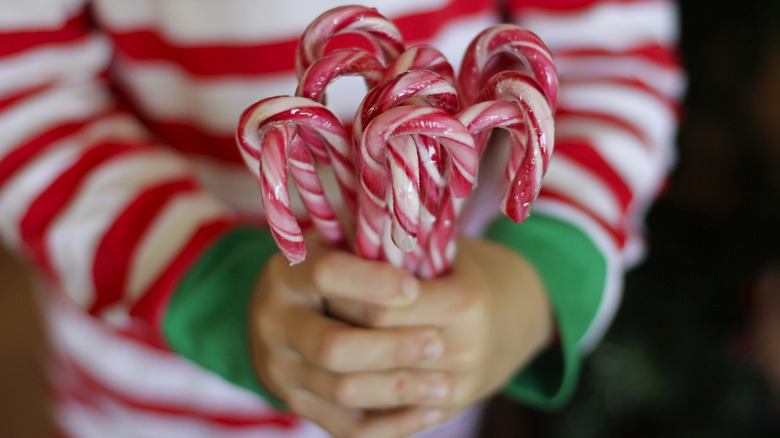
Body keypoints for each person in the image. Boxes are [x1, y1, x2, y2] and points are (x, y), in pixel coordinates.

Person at [0, 0, 684, 437]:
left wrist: (534, 277)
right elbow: (23, 96)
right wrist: (215, 286)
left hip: (427, 360)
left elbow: (612, 68)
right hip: (150, 388)